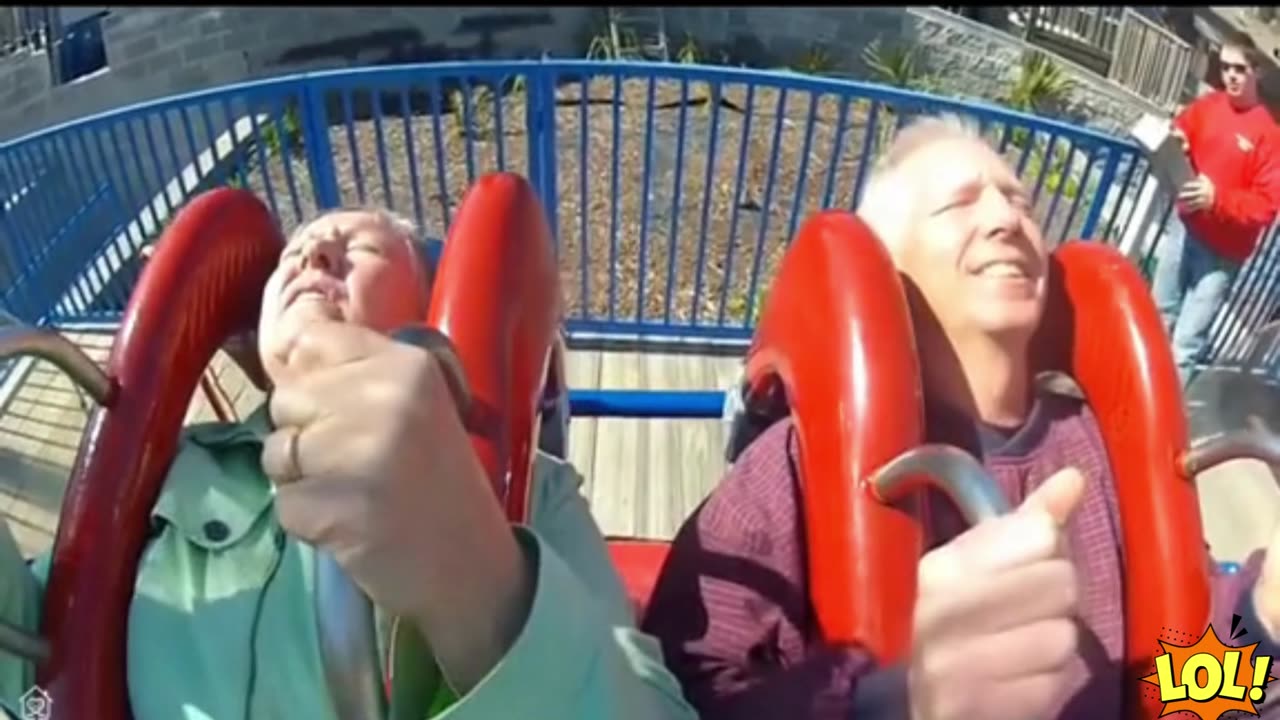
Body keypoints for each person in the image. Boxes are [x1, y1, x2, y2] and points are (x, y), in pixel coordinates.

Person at [641, 114, 1280, 720]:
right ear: (886, 271)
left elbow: (1181, 693)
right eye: (960, 203)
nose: (1006, 218)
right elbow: (674, 690)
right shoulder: (798, 464)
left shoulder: (1104, 452)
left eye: (1021, 202)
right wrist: (893, 701)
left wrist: (1263, 625)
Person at [0, 207, 697, 719]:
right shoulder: (176, 477)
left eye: (358, 246)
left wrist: (480, 584)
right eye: (294, 254)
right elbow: (28, 659)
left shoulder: (526, 490)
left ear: (430, 303)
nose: (314, 258)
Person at [1152, 29, 1280, 386]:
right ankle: (1135, 399)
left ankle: (1165, 432)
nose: (1231, 76)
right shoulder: (1209, 106)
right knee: (1157, 320)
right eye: (1225, 68)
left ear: (1258, 72)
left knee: (1185, 346)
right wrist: (1175, 137)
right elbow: (1184, 129)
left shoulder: (1269, 135)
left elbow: (1267, 206)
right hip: (1184, 229)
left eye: (1239, 69)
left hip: (1222, 254)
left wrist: (1217, 199)